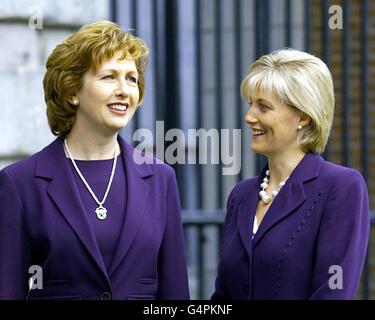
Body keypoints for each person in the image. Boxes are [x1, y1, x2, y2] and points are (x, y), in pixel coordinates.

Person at [0, 20, 189, 300]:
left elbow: (175, 297)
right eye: (109, 76)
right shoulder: (20, 183)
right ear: (72, 91)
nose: (124, 90)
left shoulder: (161, 178)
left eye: (131, 78)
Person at [211, 49, 370, 300]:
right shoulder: (241, 196)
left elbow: (332, 294)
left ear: (303, 117)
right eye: (251, 104)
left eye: (263, 107)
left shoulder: (341, 187)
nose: (249, 117)